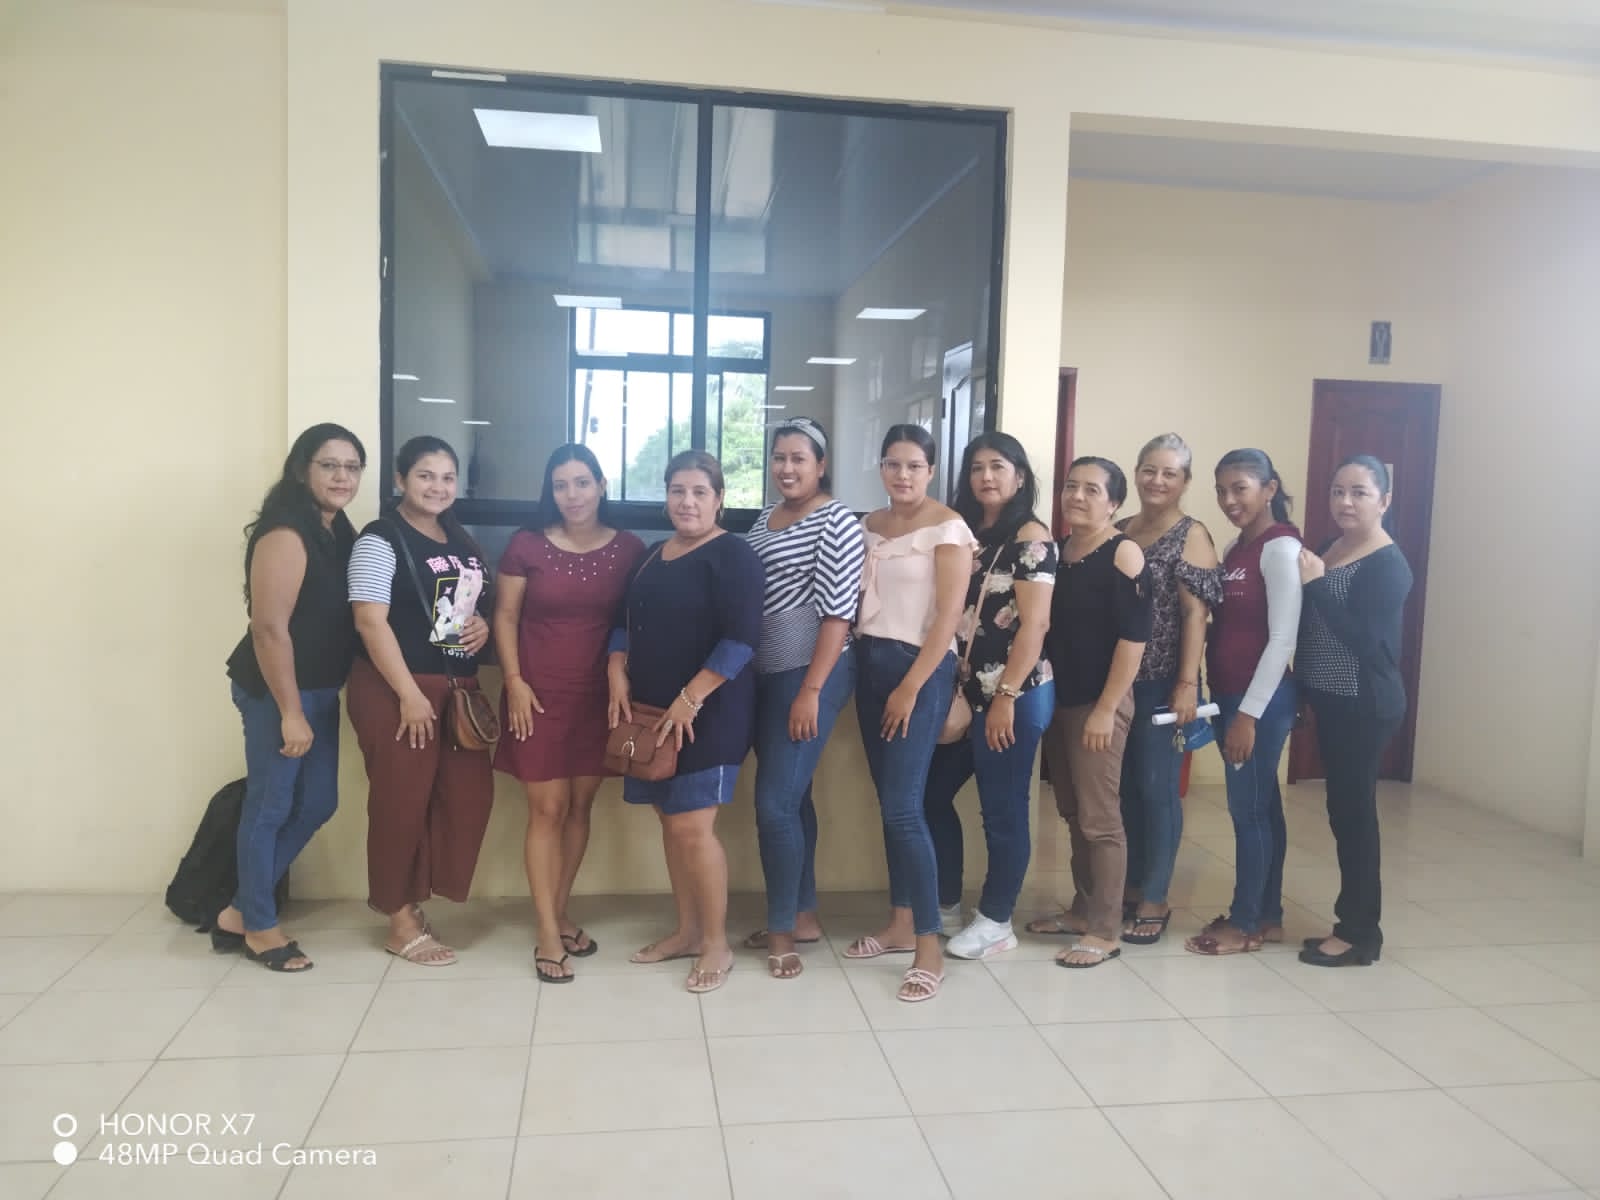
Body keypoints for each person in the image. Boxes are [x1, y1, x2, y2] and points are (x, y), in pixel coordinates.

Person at [608, 451, 764, 994]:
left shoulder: (734, 555)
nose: (687, 501)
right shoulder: (653, 555)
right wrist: (615, 671)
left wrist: (691, 698)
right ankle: (687, 932)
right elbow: (623, 622)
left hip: (709, 715)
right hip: (651, 715)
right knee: (671, 824)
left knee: (693, 829)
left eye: (700, 491)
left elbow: (742, 638)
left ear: (720, 499)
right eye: (677, 490)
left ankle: (717, 943)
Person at [492, 444, 646, 984]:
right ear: (550, 491)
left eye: (582, 482)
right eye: (561, 485)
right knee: (547, 811)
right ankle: (546, 933)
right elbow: (505, 617)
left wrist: (620, 669)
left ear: (602, 485)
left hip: (599, 698)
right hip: (535, 696)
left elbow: (633, 621)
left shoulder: (629, 549)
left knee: (580, 807)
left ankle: (558, 914)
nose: (572, 494)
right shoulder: (526, 544)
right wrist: (513, 681)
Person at [218, 423, 366, 973]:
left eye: (352, 467)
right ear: (303, 469)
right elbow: (268, 630)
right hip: (277, 691)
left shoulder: (336, 529)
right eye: (330, 465)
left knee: (318, 802)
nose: (342, 476)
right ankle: (259, 927)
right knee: (270, 805)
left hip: (320, 689)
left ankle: (240, 908)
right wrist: (289, 712)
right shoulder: (286, 533)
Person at [347, 435, 494, 967]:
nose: (438, 486)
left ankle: (416, 898)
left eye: (448, 477)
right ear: (400, 480)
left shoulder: (460, 539)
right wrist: (407, 693)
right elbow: (369, 620)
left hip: (455, 690)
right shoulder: (380, 538)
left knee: (465, 799)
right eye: (426, 475)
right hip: (396, 691)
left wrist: (480, 627)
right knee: (400, 804)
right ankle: (399, 919)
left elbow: (455, 618)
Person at [845, 424, 975, 1003]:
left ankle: (929, 947)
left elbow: (947, 617)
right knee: (890, 803)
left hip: (917, 668)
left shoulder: (949, 528)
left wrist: (911, 687)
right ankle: (900, 923)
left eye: (914, 466)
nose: (903, 475)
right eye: (893, 464)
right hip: (870, 662)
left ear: (931, 471)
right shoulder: (869, 524)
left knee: (904, 808)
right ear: (881, 468)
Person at [922, 432, 1056, 960]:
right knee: (930, 795)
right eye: (977, 467)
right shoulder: (965, 531)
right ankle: (946, 902)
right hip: (965, 692)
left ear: (1019, 476)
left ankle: (997, 921)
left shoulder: (1032, 537)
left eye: (998, 466)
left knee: (1002, 810)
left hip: (1014, 694)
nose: (986, 477)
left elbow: (1035, 625)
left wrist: (1005, 697)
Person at [744, 418, 865, 979]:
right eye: (779, 457)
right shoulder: (765, 518)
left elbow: (839, 613)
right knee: (793, 800)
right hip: (766, 674)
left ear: (821, 465)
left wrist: (810, 691)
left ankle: (781, 934)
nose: (787, 468)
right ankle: (803, 914)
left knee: (774, 805)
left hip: (811, 673)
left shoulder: (836, 520)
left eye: (799, 458)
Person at [1032, 457, 1151, 968]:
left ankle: (1105, 931)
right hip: (1059, 701)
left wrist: (1106, 710)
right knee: (1073, 811)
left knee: (1101, 820)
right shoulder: (1057, 552)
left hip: (1099, 705)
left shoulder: (1123, 553)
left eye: (1092, 489)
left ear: (1114, 503)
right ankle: (1083, 911)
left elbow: (1133, 639)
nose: (1077, 496)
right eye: (1070, 486)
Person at [1296, 456, 1413, 967]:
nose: (1345, 501)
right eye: (1338, 490)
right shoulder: (1332, 546)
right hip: (1331, 698)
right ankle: (1352, 923)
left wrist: (1316, 585)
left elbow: (1367, 642)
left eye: (1359, 492)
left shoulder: (1388, 564)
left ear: (1384, 500)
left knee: (1354, 816)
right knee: (1343, 812)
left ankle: (1361, 935)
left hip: (1364, 703)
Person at [1185, 448, 1302, 956]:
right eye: (1221, 490)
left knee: (1248, 813)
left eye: (1241, 489)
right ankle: (1267, 915)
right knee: (1263, 808)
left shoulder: (1280, 548)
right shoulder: (1238, 547)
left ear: (1269, 490)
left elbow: (1282, 639)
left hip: (1260, 702)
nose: (1229, 500)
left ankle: (1245, 922)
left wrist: (1248, 716)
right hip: (1232, 695)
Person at [1115, 434, 1222, 945]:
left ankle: (1155, 897)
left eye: (1170, 473)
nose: (1157, 481)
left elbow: (1195, 614)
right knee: (1124, 789)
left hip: (1163, 682)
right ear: (1136, 472)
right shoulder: (1121, 529)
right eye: (1149, 470)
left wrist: (1186, 685)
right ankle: (1132, 885)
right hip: (1118, 683)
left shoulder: (1190, 534)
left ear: (1185, 481)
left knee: (1158, 790)